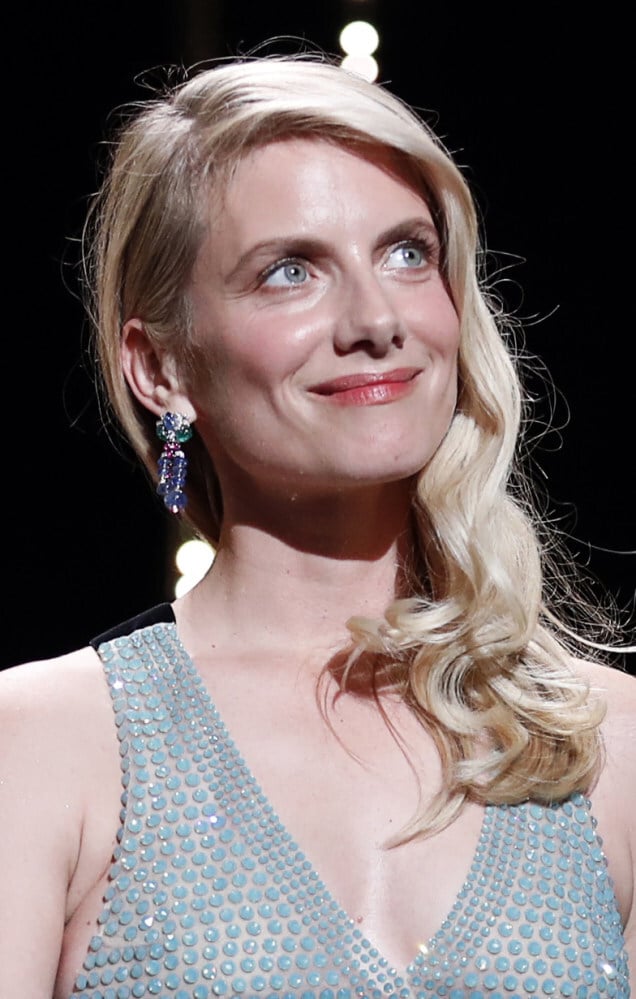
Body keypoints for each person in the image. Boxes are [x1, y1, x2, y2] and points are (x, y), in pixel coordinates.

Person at [0, 55, 633, 999]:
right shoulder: (47, 745)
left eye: (407, 253)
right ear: (160, 366)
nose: (377, 319)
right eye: (290, 271)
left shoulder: (602, 744)